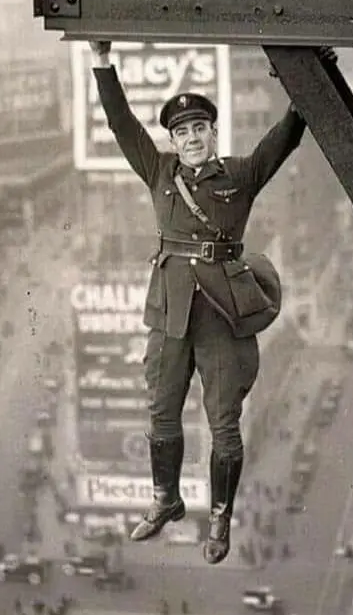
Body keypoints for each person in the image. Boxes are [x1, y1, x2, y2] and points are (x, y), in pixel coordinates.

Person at [89, 40, 332, 564]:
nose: (192, 138)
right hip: (170, 317)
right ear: (173, 140)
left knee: (224, 425)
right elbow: (120, 124)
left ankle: (219, 518)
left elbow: (285, 138)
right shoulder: (159, 172)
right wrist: (101, 59)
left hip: (224, 318)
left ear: (213, 133)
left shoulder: (240, 175)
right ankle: (165, 501)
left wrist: (312, 76)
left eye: (199, 128)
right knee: (161, 412)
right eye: (182, 131)